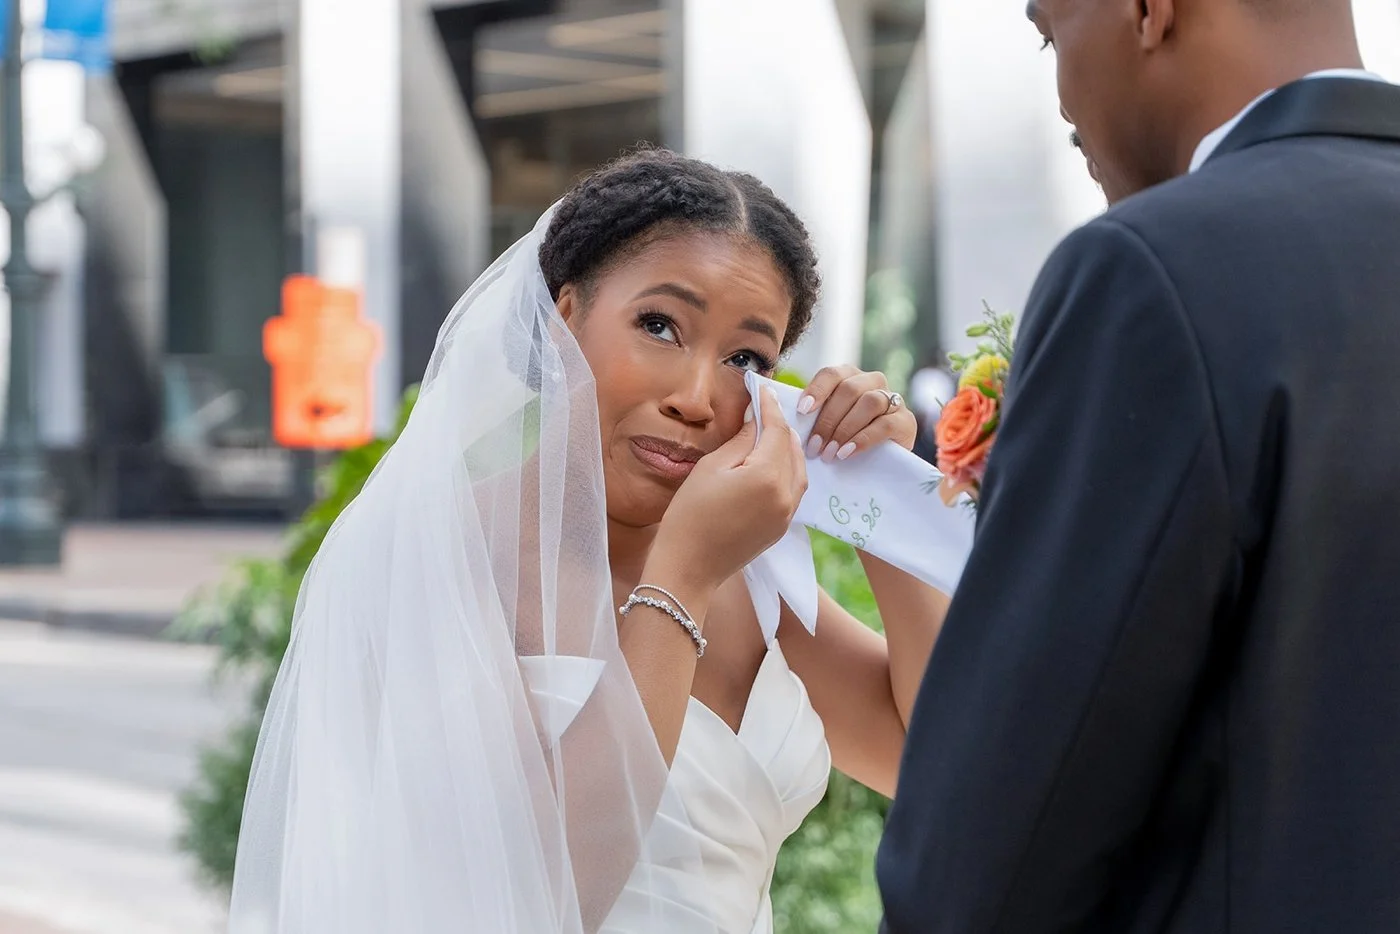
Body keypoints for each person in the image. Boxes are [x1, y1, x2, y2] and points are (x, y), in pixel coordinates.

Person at [228, 149, 952, 934]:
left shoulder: (754, 577)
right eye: (659, 326)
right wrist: (681, 576)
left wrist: (877, 499)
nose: (697, 397)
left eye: (746, 358)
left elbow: (943, 767)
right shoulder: (439, 559)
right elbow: (544, 895)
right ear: (564, 317)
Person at [878, 1, 1400, 932]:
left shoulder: (1159, 270)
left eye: (1050, 33)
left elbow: (991, 856)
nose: (1064, 98)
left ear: (1148, 11)